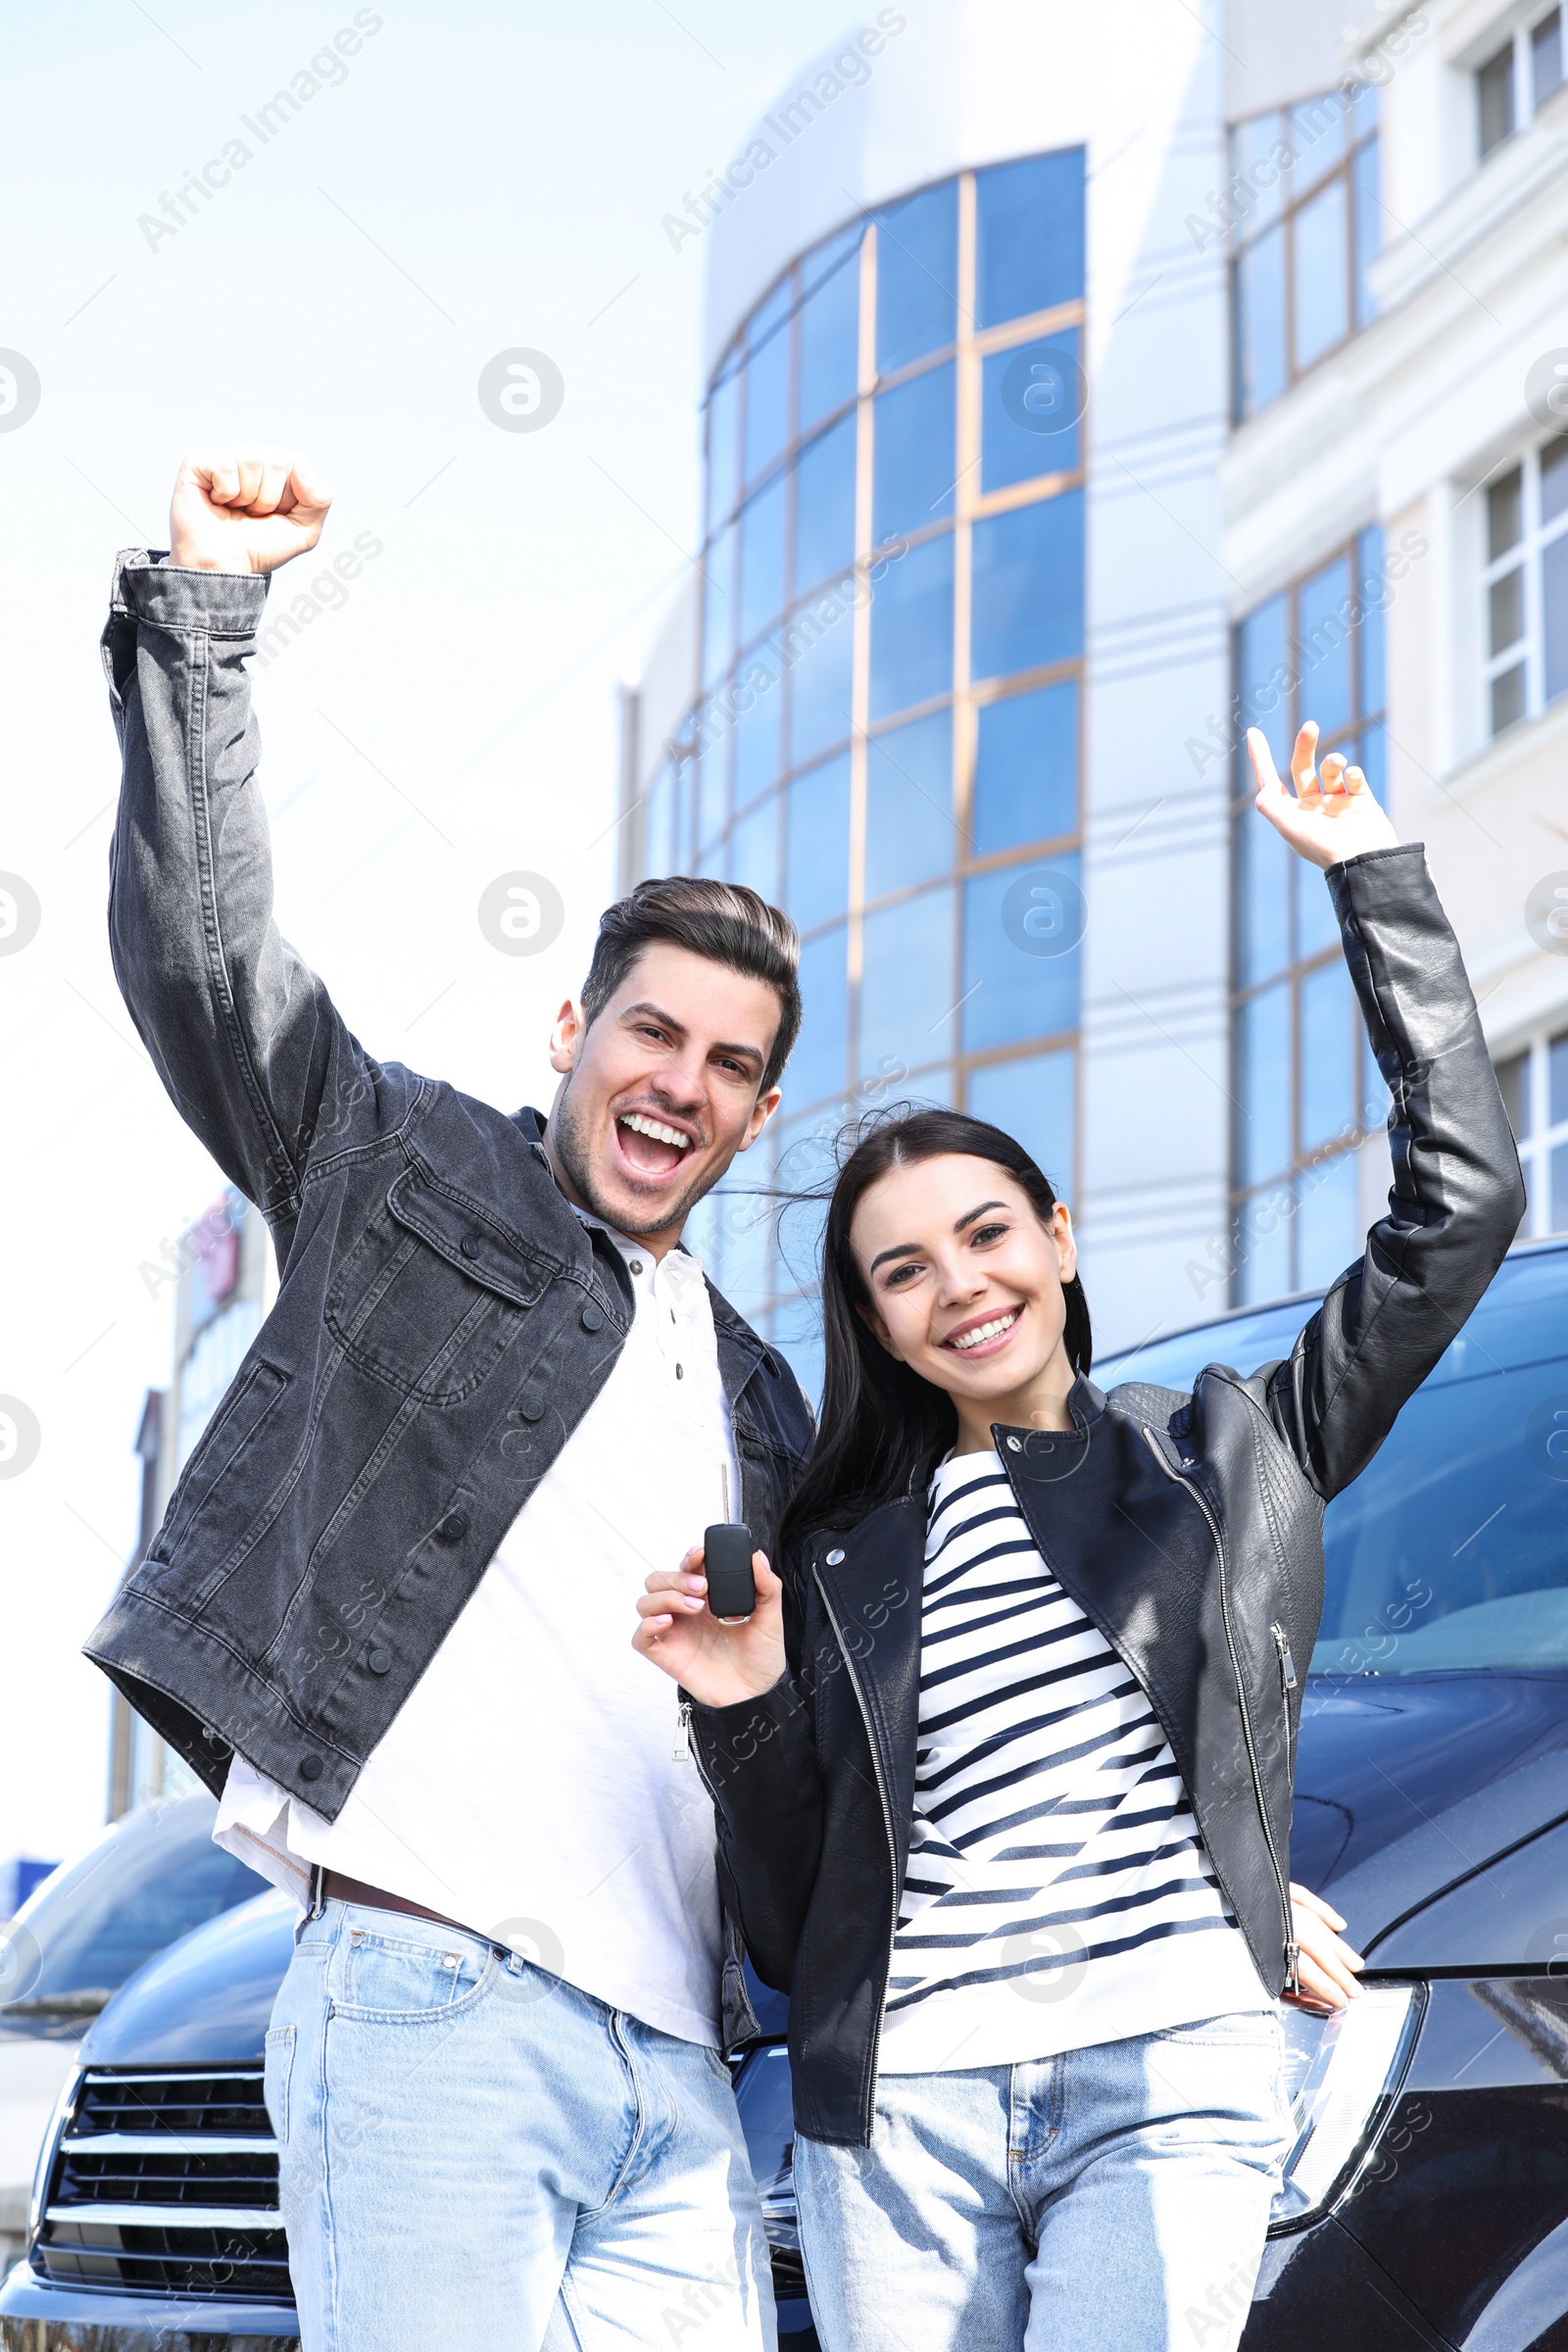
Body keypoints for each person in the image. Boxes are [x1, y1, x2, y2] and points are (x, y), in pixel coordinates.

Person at [633, 725, 1526, 2352]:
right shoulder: (838, 1552)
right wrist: (740, 1704)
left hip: (1169, 2069)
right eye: (902, 1271)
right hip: (903, 2110)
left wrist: (1374, 885)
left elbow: (1457, 1208)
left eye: (984, 1233)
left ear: (1056, 1236)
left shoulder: (1230, 1446)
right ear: (880, 1326)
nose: (958, 1284)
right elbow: (784, 1924)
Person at [87, 451, 815, 2352]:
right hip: (437, 1997)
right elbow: (207, 962)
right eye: (649, 1030)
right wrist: (206, 621)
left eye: (729, 1064)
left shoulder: (757, 1396)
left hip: (678, 2078)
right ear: (571, 1035)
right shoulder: (407, 1172)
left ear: (756, 1112)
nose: (680, 1081)